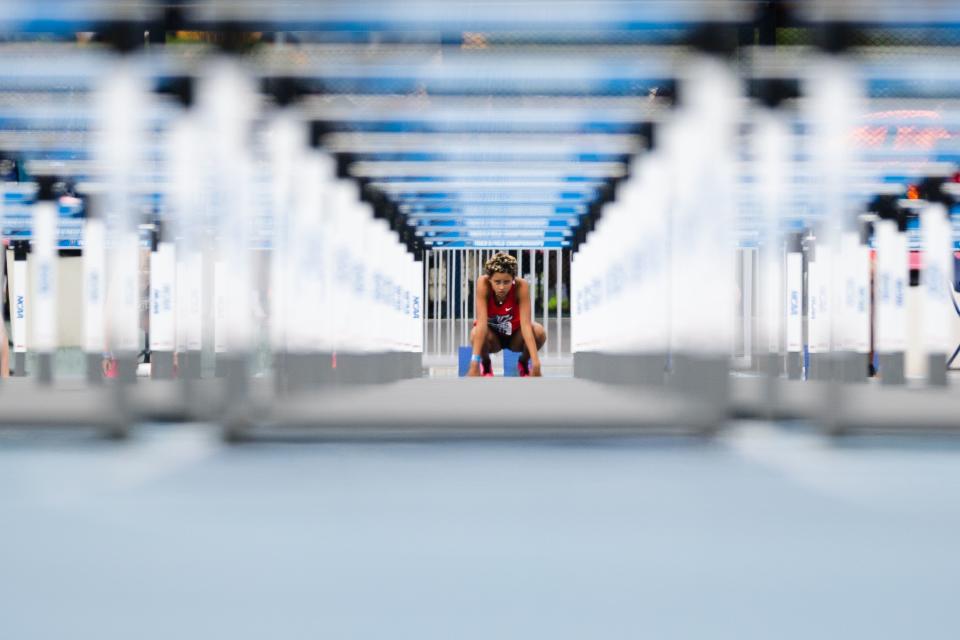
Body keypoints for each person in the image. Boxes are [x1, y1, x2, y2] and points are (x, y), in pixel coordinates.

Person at [467, 252, 546, 377]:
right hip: (494, 338)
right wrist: (474, 363)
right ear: (489, 279)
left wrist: (536, 363)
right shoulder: (482, 283)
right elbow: (481, 323)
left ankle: (523, 362)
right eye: (497, 282)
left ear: (513, 279)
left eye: (507, 282)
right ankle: (486, 364)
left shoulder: (522, 286)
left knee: (539, 331)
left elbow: (526, 325)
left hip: (515, 336)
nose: (501, 287)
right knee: (475, 332)